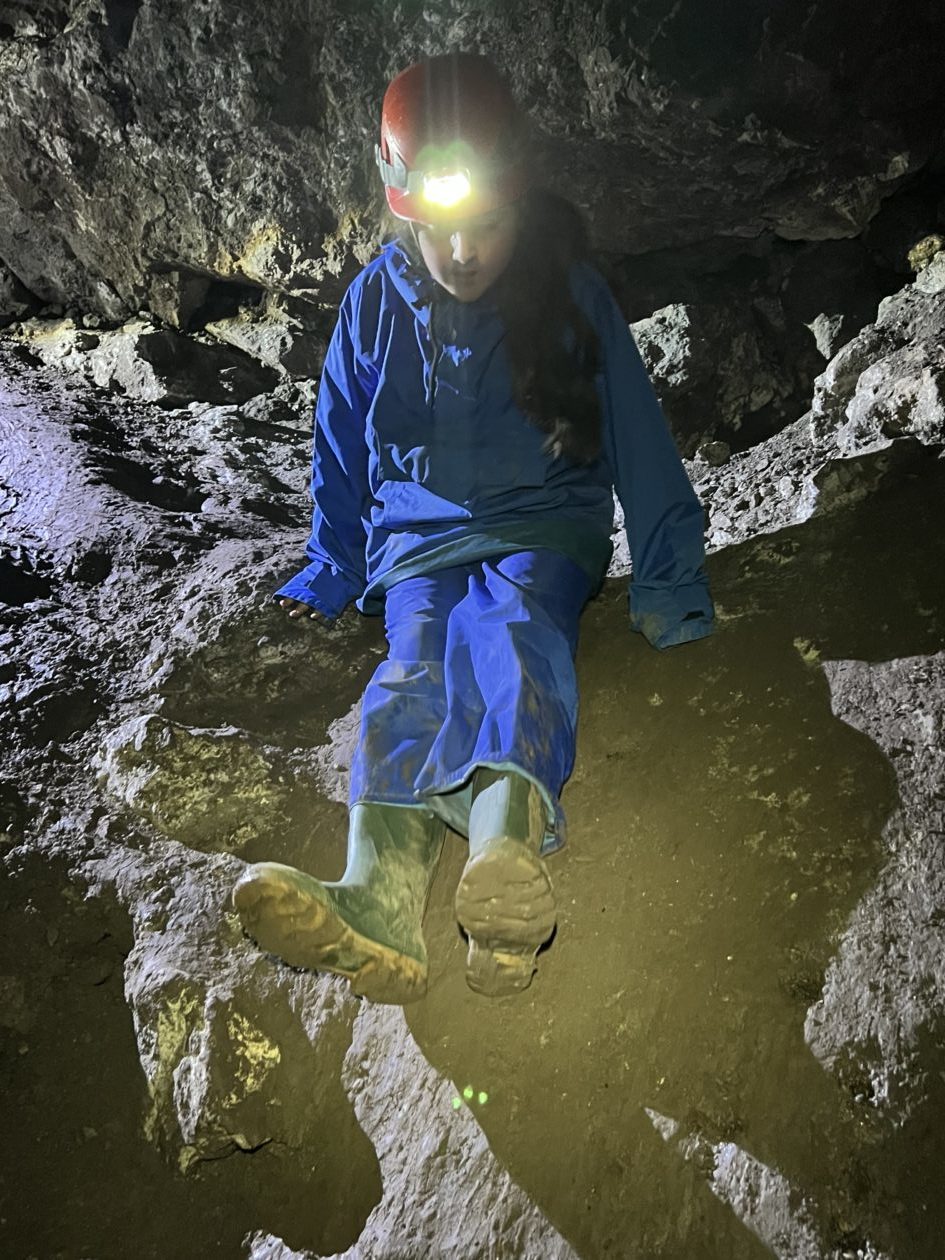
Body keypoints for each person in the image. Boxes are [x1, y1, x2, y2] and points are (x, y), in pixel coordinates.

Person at [232, 52, 713, 1002]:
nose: (461, 254)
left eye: (484, 226)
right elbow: (339, 441)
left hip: (544, 525)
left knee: (513, 631)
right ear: (402, 215)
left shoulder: (571, 292)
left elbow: (637, 435)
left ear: (518, 204)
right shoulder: (373, 302)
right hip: (419, 543)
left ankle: (502, 847)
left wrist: (669, 580)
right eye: (439, 230)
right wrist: (331, 564)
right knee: (413, 663)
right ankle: (377, 899)